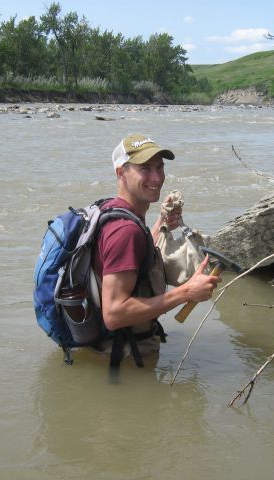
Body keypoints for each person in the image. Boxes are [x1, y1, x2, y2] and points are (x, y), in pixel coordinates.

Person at [91, 134, 220, 366]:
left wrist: (161, 224)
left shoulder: (110, 208)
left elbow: (134, 259)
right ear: (121, 172)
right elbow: (113, 314)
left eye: (160, 167)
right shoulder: (125, 231)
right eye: (145, 169)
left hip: (109, 348)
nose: (157, 177)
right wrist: (187, 292)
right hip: (124, 358)